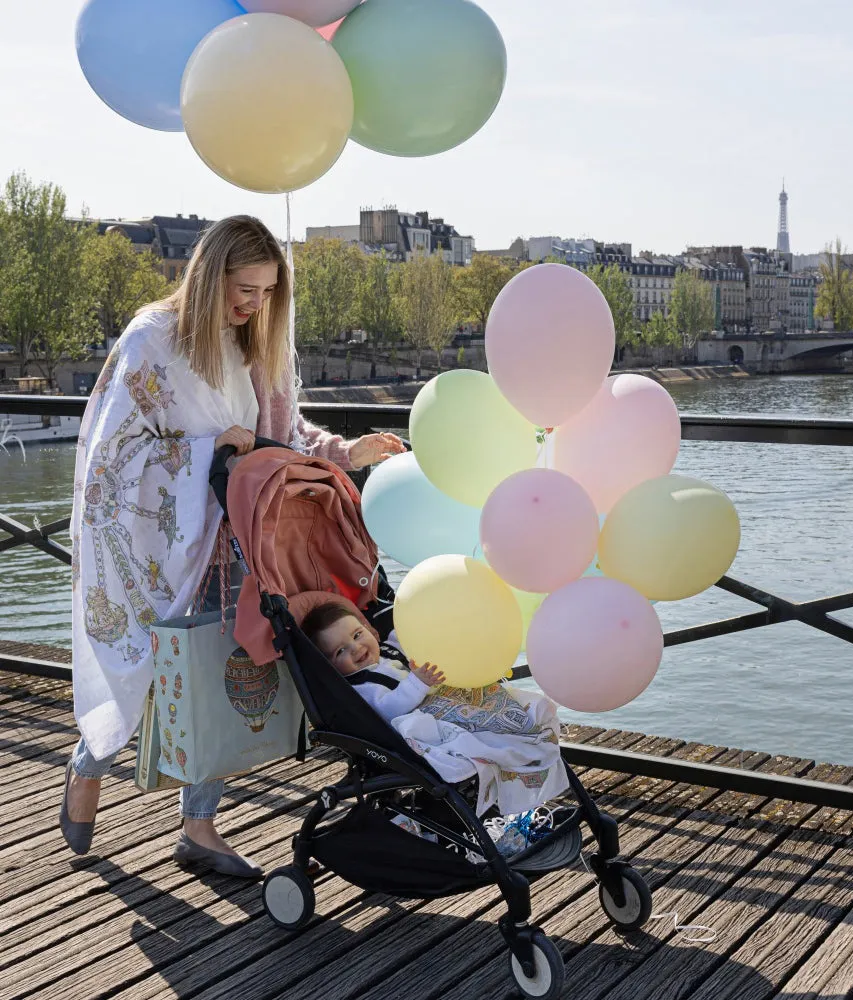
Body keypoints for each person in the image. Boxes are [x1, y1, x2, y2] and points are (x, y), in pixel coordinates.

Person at [61, 215, 405, 877]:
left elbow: (282, 435)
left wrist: (346, 452)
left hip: (239, 543)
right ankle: (87, 765)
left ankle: (199, 827)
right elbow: (113, 459)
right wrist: (204, 457)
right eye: (243, 288)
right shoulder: (151, 341)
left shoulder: (259, 344)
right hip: (157, 546)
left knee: (223, 676)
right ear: (209, 273)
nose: (254, 303)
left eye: (268, 291)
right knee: (145, 676)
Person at [300, 602, 569, 825]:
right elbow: (386, 709)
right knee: (484, 738)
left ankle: (526, 755)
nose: (356, 649)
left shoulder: (387, 653)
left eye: (357, 635)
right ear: (330, 667)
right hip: (412, 729)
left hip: (440, 706)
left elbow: (407, 638)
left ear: (369, 630)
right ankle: (517, 788)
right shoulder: (362, 687)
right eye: (340, 651)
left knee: (512, 709)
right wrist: (417, 683)